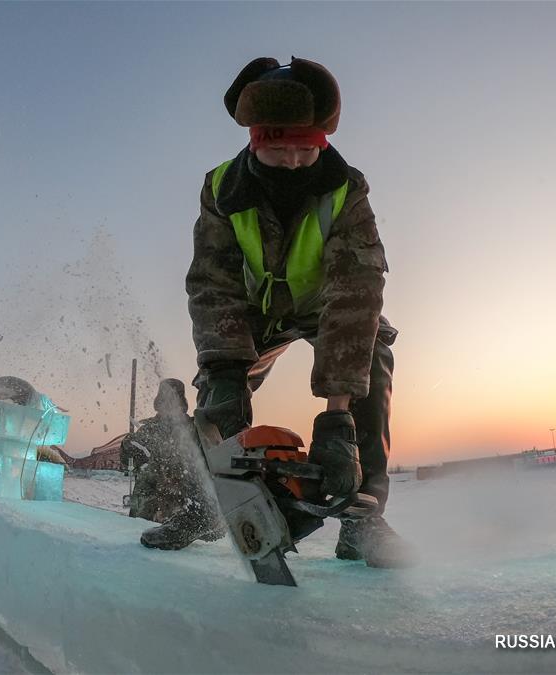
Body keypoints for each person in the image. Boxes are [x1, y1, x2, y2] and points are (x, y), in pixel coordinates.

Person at [183, 57, 414, 567]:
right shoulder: (221, 188)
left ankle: (362, 520)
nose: (290, 160)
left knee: (371, 357)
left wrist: (336, 423)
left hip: (323, 309)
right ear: (254, 139)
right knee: (216, 407)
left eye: (304, 150)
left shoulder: (347, 190)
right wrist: (224, 370)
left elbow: (356, 293)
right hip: (251, 314)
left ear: (322, 142)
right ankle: (199, 503)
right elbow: (212, 280)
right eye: (277, 146)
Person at [120, 379, 222, 549]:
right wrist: (127, 447)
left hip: (185, 517)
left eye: (172, 400)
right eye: (164, 401)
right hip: (147, 514)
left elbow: (210, 464)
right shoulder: (147, 429)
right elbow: (127, 462)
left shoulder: (194, 428)